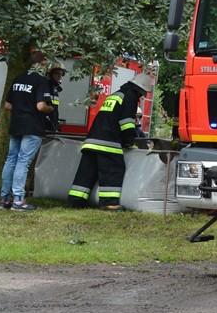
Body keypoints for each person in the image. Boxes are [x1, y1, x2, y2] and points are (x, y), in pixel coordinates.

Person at [66, 72, 153, 210]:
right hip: (108, 142)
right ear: (140, 89)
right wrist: (130, 141)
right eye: (142, 93)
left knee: (86, 172)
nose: (142, 96)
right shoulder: (130, 97)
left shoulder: (116, 94)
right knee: (114, 169)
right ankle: (109, 203)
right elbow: (127, 123)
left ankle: (75, 201)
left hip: (92, 140)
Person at [0, 51, 54, 211]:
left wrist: (22, 108)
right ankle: (18, 201)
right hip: (32, 127)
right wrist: (51, 108)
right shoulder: (41, 81)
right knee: (23, 162)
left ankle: (5, 200)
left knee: (11, 160)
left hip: (16, 125)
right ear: (42, 63)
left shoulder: (18, 78)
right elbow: (40, 106)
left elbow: (8, 105)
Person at [45, 62, 66, 133]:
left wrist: (56, 125)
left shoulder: (55, 90)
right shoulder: (44, 88)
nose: (60, 76)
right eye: (57, 73)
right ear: (50, 74)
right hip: (44, 128)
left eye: (62, 73)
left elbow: (54, 110)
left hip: (52, 128)